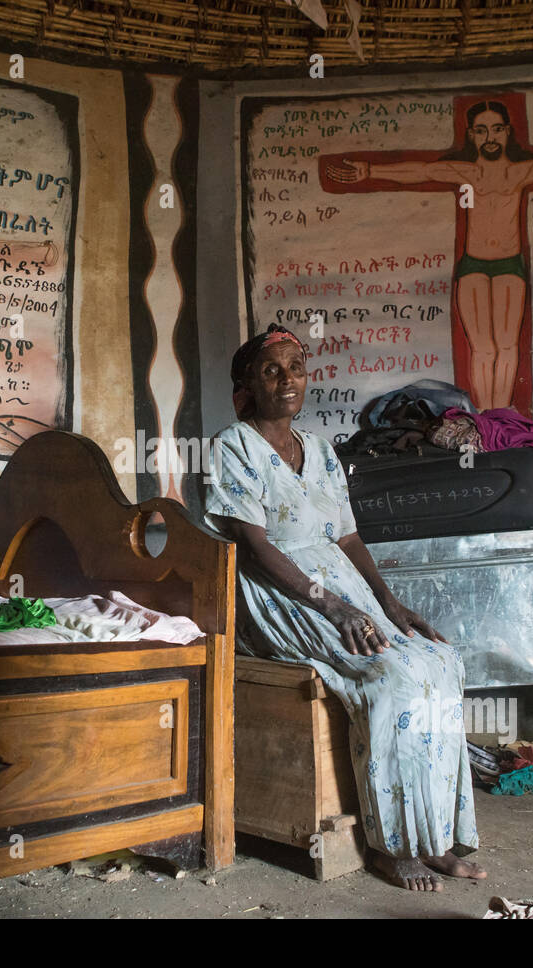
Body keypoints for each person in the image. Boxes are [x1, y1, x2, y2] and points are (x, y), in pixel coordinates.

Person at [205, 324, 486, 891]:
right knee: (389, 679)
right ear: (246, 386)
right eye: (271, 370)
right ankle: (392, 846)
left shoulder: (323, 451)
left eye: (296, 368)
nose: (288, 380)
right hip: (284, 593)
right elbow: (255, 547)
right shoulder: (232, 447)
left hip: (346, 593)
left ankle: (435, 839)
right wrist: (331, 606)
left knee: (441, 662)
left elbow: (349, 538)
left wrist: (389, 603)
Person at [325, 100, 533, 410]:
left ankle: (501, 414)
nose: (490, 136)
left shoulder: (521, 172)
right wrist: (369, 171)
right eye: (482, 129)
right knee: (482, 348)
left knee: (506, 345)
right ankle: (484, 416)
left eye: (497, 128)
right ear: (472, 135)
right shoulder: (466, 173)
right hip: (472, 264)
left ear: (507, 132)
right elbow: (421, 170)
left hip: (508, 264)